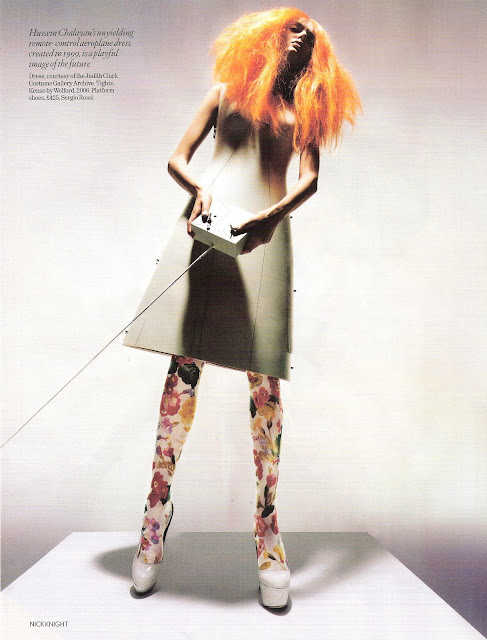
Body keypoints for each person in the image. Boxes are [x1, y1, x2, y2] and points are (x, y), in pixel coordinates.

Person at [126, 7, 361, 607]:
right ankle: (156, 512)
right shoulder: (226, 91)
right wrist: (196, 188)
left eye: (311, 36)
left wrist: (271, 218)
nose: (302, 36)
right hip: (206, 231)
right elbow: (177, 158)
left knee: (265, 388)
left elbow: (309, 178)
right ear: (267, 36)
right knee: (182, 373)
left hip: (263, 238)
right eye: (292, 28)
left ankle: (267, 529)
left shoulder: (304, 111)